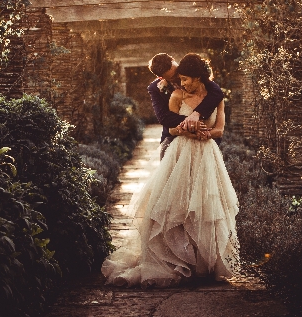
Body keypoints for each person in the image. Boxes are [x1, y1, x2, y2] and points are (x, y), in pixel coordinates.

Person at [101, 53, 239, 287]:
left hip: (206, 153)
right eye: (174, 78)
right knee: (173, 201)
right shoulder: (162, 91)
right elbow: (166, 120)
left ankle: (200, 261)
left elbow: (218, 114)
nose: (179, 81)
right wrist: (189, 129)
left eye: (182, 76)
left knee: (205, 204)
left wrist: (200, 122)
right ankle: (174, 257)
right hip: (175, 147)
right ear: (162, 77)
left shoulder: (213, 91)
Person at [146, 53, 224, 159]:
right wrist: (190, 122)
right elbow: (164, 117)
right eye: (173, 77)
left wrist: (197, 114)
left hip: (205, 141)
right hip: (174, 138)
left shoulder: (193, 73)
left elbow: (217, 93)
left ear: (174, 60)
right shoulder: (155, 88)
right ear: (161, 77)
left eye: (177, 71)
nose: (178, 77)